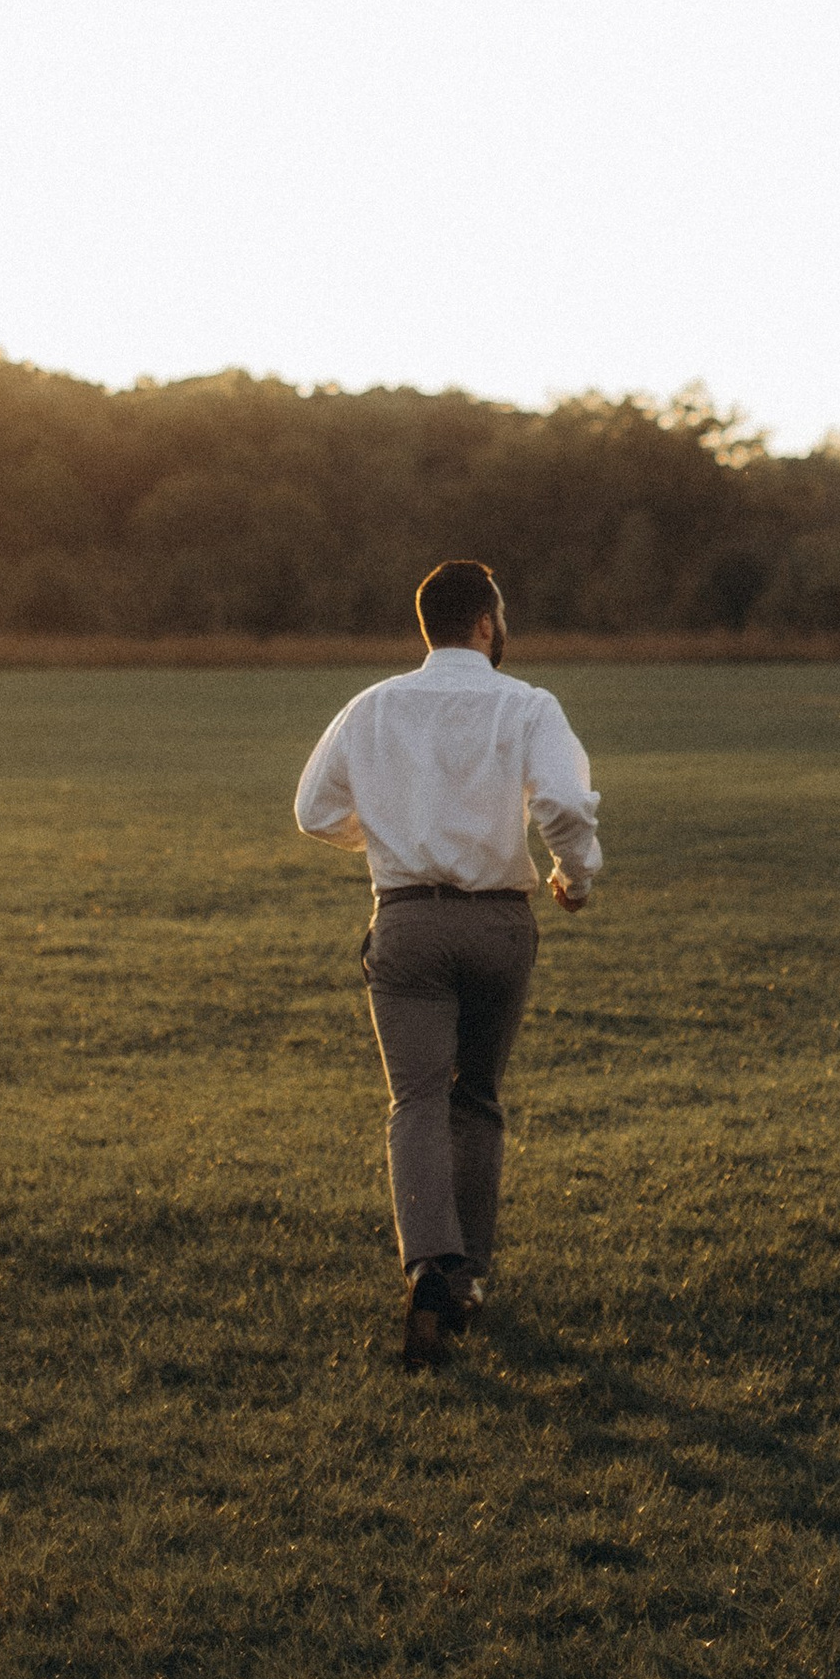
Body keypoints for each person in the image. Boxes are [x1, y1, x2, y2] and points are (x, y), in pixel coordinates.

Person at [294, 560, 603, 1369]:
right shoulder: (529, 705)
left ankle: (429, 1262)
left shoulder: (372, 707)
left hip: (407, 926)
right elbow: (565, 804)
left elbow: (313, 810)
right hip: (500, 924)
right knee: (479, 1100)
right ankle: (467, 1278)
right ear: (486, 624)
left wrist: (394, 832)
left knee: (417, 1100)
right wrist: (576, 873)